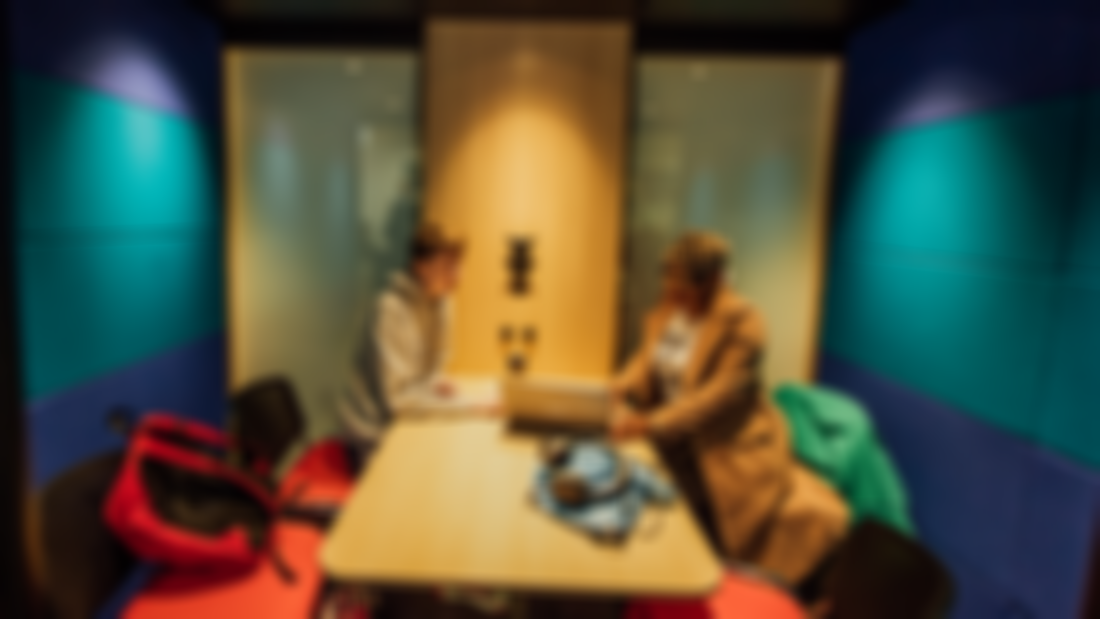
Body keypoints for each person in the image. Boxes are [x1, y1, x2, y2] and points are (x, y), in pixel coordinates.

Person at [608, 231, 849, 587]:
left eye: (686, 292)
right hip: (672, 436)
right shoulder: (672, 307)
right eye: (671, 288)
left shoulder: (743, 322)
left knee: (684, 534)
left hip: (721, 449)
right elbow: (647, 358)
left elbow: (716, 400)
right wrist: (619, 385)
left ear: (715, 282)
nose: (676, 299)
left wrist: (651, 423)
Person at [337, 222, 465, 459]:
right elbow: (396, 403)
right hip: (373, 432)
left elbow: (435, 367)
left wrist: (436, 382)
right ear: (421, 267)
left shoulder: (441, 302)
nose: (459, 276)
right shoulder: (389, 309)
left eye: (459, 265)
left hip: (405, 421)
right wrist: (467, 408)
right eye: (449, 266)